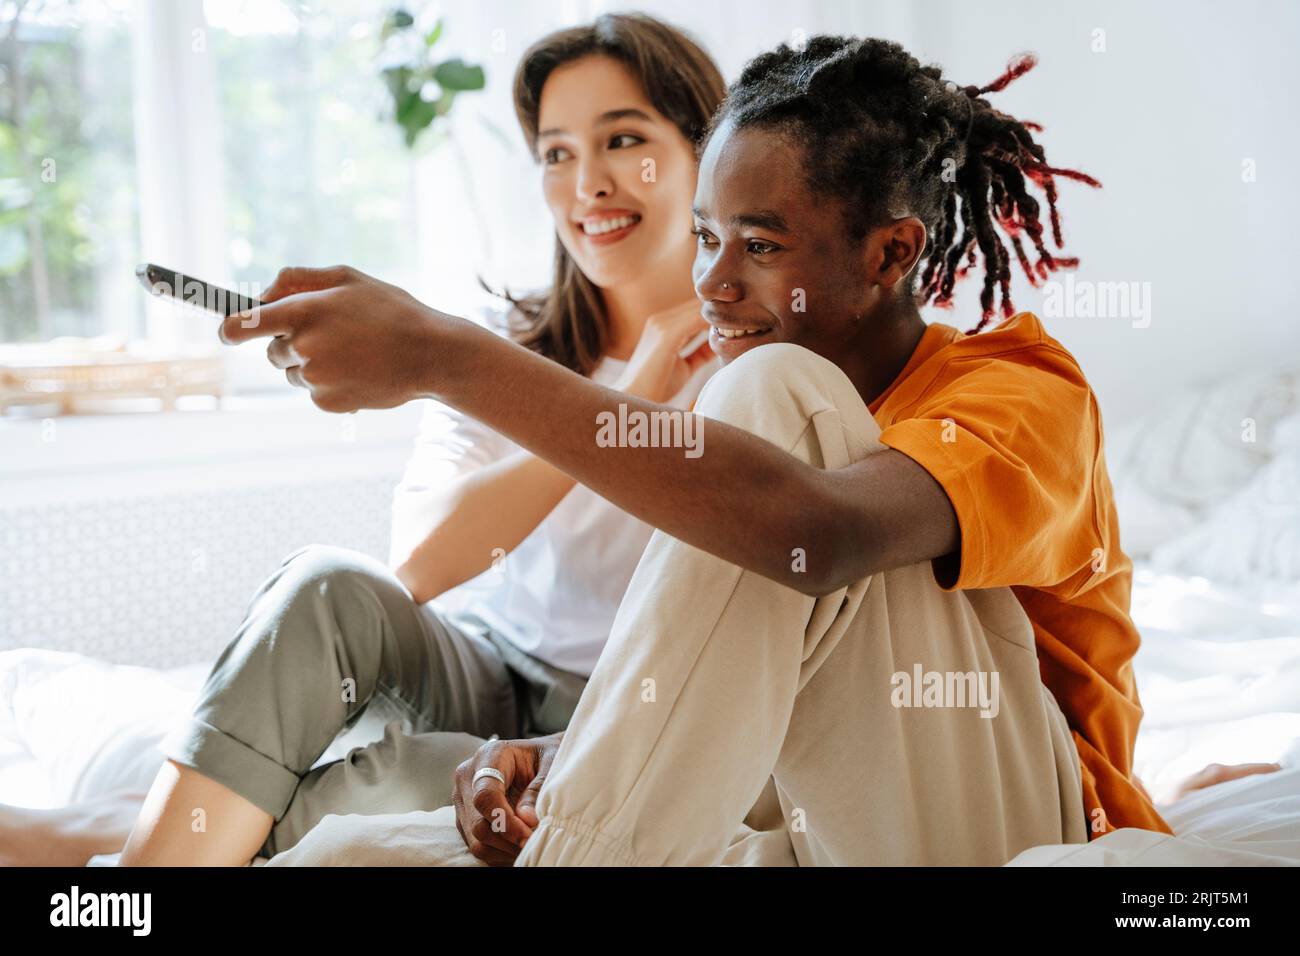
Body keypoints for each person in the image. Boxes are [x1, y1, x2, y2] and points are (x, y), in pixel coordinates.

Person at [203, 34, 1287, 866]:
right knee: (346, 849)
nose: (714, 283)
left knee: (776, 416)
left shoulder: (1015, 391)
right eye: (710, 237)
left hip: (1005, 807)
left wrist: (450, 355)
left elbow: (812, 536)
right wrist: (561, 757)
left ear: (889, 253)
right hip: (813, 805)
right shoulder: (744, 415)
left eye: (759, 247)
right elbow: (728, 657)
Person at [103, 13, 724, 868]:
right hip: (479, 667)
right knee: (323, 587)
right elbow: (421, 560)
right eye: (555, 152)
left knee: (386, 786)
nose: (588, 183)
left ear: (706, 152)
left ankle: (107, 846)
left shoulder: (760, 371)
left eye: (623, 140)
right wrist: (629, 392)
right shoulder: (497, 347)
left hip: (620, 712)